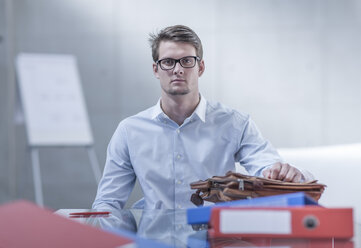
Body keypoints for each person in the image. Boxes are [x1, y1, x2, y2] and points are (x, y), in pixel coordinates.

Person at [92, 25, 313, 210]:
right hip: (152, 240)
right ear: (156, 69)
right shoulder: (130, 131)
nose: (177, 69)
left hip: (216, 240)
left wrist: (283, 172)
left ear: (201, 67)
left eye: (187, 61)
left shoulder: (235, 123)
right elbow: (108, 203)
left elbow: (267, 166)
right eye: (168, 62)